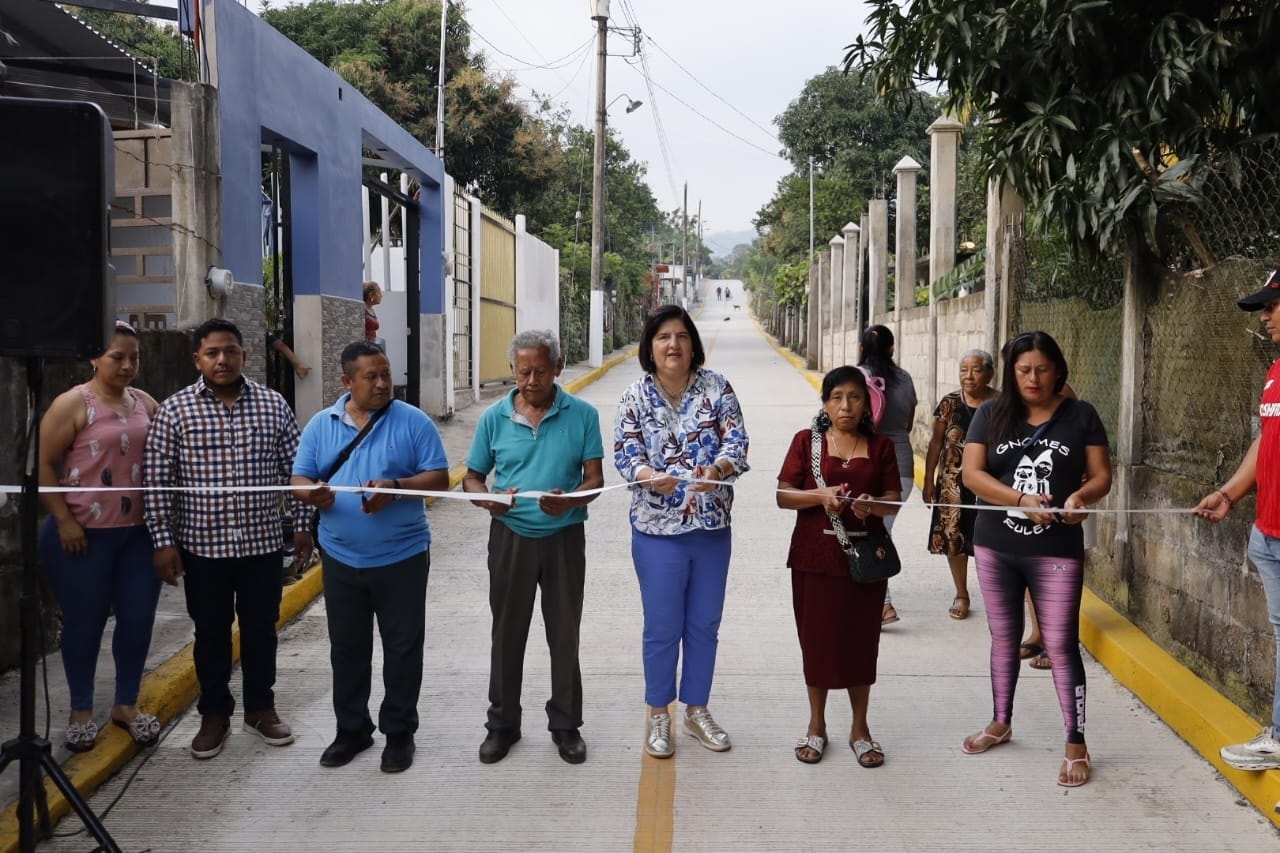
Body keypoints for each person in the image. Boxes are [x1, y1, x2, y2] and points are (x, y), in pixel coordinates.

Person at [144, 318, 312, 759]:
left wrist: (302, 525)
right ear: (197, 358)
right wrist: (163, 542)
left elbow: (295, 471)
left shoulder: (273, 405)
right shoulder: (175, 411)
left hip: (260, 546)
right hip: (203, 548)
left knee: (261, 630)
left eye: (231, 351)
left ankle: (261, 709)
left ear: (244, 355)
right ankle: (214, 714)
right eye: (213, 353)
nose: (223, 360)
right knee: (211, 633)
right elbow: (158, 483)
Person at [959, 330, 1112, 788]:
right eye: (1023, 369)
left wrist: (1081, 496)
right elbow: (972, 475)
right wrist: (1021, 498)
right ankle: (1000, 722)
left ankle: (1076, 743)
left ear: (1057, 369)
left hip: (1056, 551)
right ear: (1010, 373)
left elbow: (1102, 476)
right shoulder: (990, 413)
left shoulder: (1081, 415)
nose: (1033, 378)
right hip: (995, 545)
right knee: (1003, 637)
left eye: (1042, 369)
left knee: (1061, 645)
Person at [291, 340, 449, 773]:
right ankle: (352, 730)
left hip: (403, 556)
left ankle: (399, 733)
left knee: (402, 648)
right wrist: (314, 495)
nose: (383, 384)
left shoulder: (413, 421)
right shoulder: (321, 426)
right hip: (341, 557)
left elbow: (439, 478)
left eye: (386, 374)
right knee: (347, 648)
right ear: (347, 382)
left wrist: (396, 487)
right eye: (371, 377)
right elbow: (300, 478)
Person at [614, 304, 749, 758]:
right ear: (649, 348)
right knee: (662, 627)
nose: (673, 345)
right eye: (663, 337)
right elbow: (625, 452)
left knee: (704, 626)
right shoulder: (634, 395)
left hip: (711, 528)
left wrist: (719, 466)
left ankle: (696, 711)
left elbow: (738, 442)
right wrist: (647, 474)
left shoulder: (717, 388)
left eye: (681, 337)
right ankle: (658, 715)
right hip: (656, 531)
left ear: (693, 345)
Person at [463, 330, 604, 765]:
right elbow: (471, 477)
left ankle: (566, 726)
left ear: (558, 368)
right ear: (512, 371)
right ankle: (502, 725)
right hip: (510, 537)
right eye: (522, 371)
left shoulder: (582, 414)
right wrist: (487, 499)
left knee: (564, 634)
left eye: (540, 371)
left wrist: (570, 500)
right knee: (506, 634)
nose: (530, 380)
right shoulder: (493, 418)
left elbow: (595, 479)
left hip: (564, 538)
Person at [38, 320, 162, 752]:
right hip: (82, 537)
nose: (127, 366)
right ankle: (80, 710)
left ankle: (126, 704)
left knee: (137, 620)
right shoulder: (72, 405)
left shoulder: (146, 403)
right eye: (117, 357)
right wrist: (64, 521)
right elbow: (45, 466)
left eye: (134, 358)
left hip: (137, 536)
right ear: (95, 357)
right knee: (84, 623)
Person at [777, 366, 902, 766]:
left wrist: (871, 506)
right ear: (825, 403)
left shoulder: (881, 447)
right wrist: (820, 496)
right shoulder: (806, 443)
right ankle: (817, 725)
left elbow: (893, 499)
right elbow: (783, 495)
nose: (845, 405)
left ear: (867, 403)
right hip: (814, 560)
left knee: (861, 644)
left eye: (854, 397)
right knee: (816, 642)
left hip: (865, 563)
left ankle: (860, 727)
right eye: (836, 397)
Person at [1194, 268, 1280, 771]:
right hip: (1268, 533)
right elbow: (1265, 442)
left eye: (1271, 306)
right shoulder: (1275, 372)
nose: (1265, 317)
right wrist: (1230, 493)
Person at [923, 349, 997, 620]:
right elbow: (936, 443)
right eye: (964, 369)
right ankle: (962, 594)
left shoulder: (1002, 403)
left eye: (976, 370)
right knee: (953, 536)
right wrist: (929, 480)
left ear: (990, 373)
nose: (969, 376)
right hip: (952, 482)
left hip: (991, 481)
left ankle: (995, 594)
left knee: (992, 539)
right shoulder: (949, 403)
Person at [857, 324, 918, 625]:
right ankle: (872, 595)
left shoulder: (855, 379)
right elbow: (907, 424)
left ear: (861, 348)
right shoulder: (905, 379)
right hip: (903, 467)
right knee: (879, 530)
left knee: (874, 533)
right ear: (892, 349)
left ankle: (884, 604)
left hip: (869, 466)